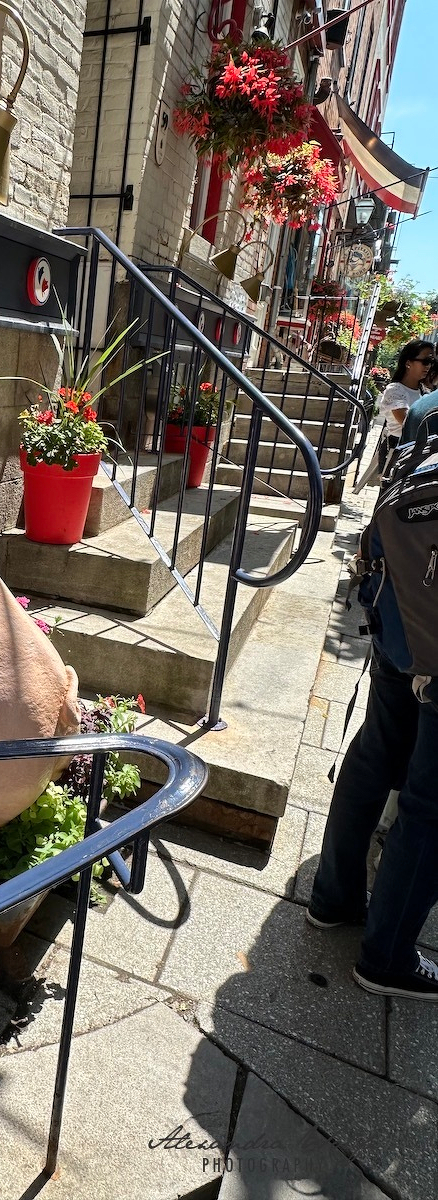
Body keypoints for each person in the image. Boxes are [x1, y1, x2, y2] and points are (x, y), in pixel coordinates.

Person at [306, 433, 438, 999]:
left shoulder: (429, 410)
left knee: (373, 755)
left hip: (398, 628)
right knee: (430, 808)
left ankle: (332, 898)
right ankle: (386, 958)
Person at [376, 339, 435, 472]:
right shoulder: (395, 390)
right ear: (408, 363)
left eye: (431, 362)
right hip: (398, 451)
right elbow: (407, 422)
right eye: (425, 361)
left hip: (418, 452)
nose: (428, 367)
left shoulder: (424, 391)